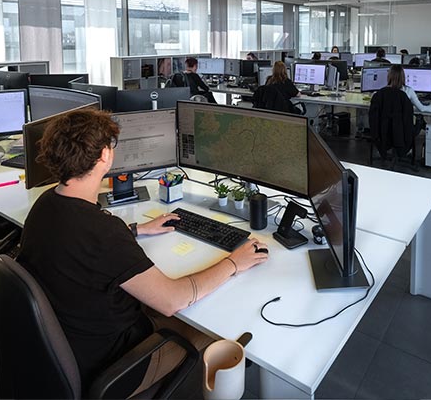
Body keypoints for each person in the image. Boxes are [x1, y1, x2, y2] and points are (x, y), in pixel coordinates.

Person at [17, 109, 269, 396]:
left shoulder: (45, 205)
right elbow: (173, 300)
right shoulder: (104, 233)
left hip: (72, 346)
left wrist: (137, 229)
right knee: (212, 324)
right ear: (104, 156)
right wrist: (234, 262)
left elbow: (82, 240)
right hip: (116, 364)